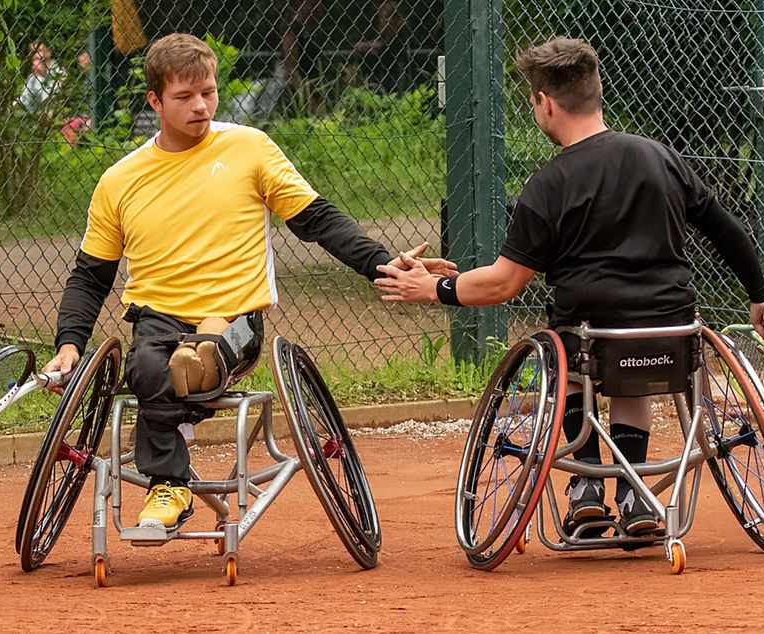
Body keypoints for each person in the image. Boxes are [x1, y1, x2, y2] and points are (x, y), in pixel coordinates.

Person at [374, 36, 764, 537]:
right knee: (630, 359)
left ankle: (586, 487)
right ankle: (635, 495)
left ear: (545, 104)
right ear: (597, 92)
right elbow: (728, 231)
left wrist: (435, 289)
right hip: (673, 340)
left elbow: (504, 283)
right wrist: (761, 297)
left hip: (588, 344)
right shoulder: (663, 159)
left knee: (566, 351)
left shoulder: (548, 185)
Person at [43, 33, 455, 531]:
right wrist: (69, 345)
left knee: (195, 362)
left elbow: (318, 220)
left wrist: (383, 263)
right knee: (148, 367)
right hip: (158, 319)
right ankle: (169, 489)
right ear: (154, 101)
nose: (201, 105)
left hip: (236, 322)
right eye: (185, 96)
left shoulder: (249, 147)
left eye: (209, 92)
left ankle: (168, 440)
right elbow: (90, 277)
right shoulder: (119, 181)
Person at [354, 1, 409, 94]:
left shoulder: (402, 35)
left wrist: (379, 47)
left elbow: (393, 50)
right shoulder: (375, 34)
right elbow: (359, 46)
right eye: (380, 17)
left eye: (386, 17)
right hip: (377, 81)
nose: (381, 21)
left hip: (396, 79)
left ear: (395, 19)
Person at [281, 0, 323, 111]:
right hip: (298, 93)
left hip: (312, 85)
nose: (317, 8)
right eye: (312, 5)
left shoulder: (309, 28)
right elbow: (291, 71)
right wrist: (311, 104)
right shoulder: (293, 28)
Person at [17, 41, 66, 113]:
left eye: (39, 51)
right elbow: (23, 102)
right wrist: (38, 75)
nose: (36, 55)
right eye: (33, 52)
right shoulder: (32, 78)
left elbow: (57, 96)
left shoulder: (61, 73)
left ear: (49, 52)